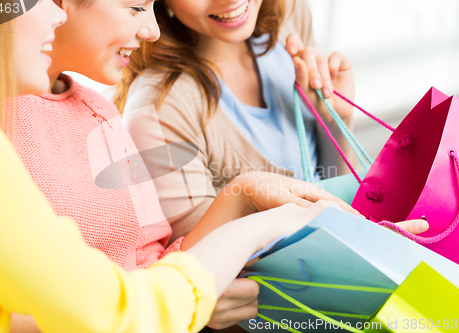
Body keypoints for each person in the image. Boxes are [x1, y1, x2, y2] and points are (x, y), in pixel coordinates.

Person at [0, 1, 342, 332]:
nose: (152, 29)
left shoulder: (98, 112)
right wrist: (187, 294)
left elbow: (151, 262)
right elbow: (95, 310)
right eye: (136, 6)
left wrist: (241, 199)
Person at [115, 0, 428, 330]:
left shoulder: (288, 21)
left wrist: (335, 119)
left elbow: (332, 178)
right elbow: (213, 287)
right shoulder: (158, 110)